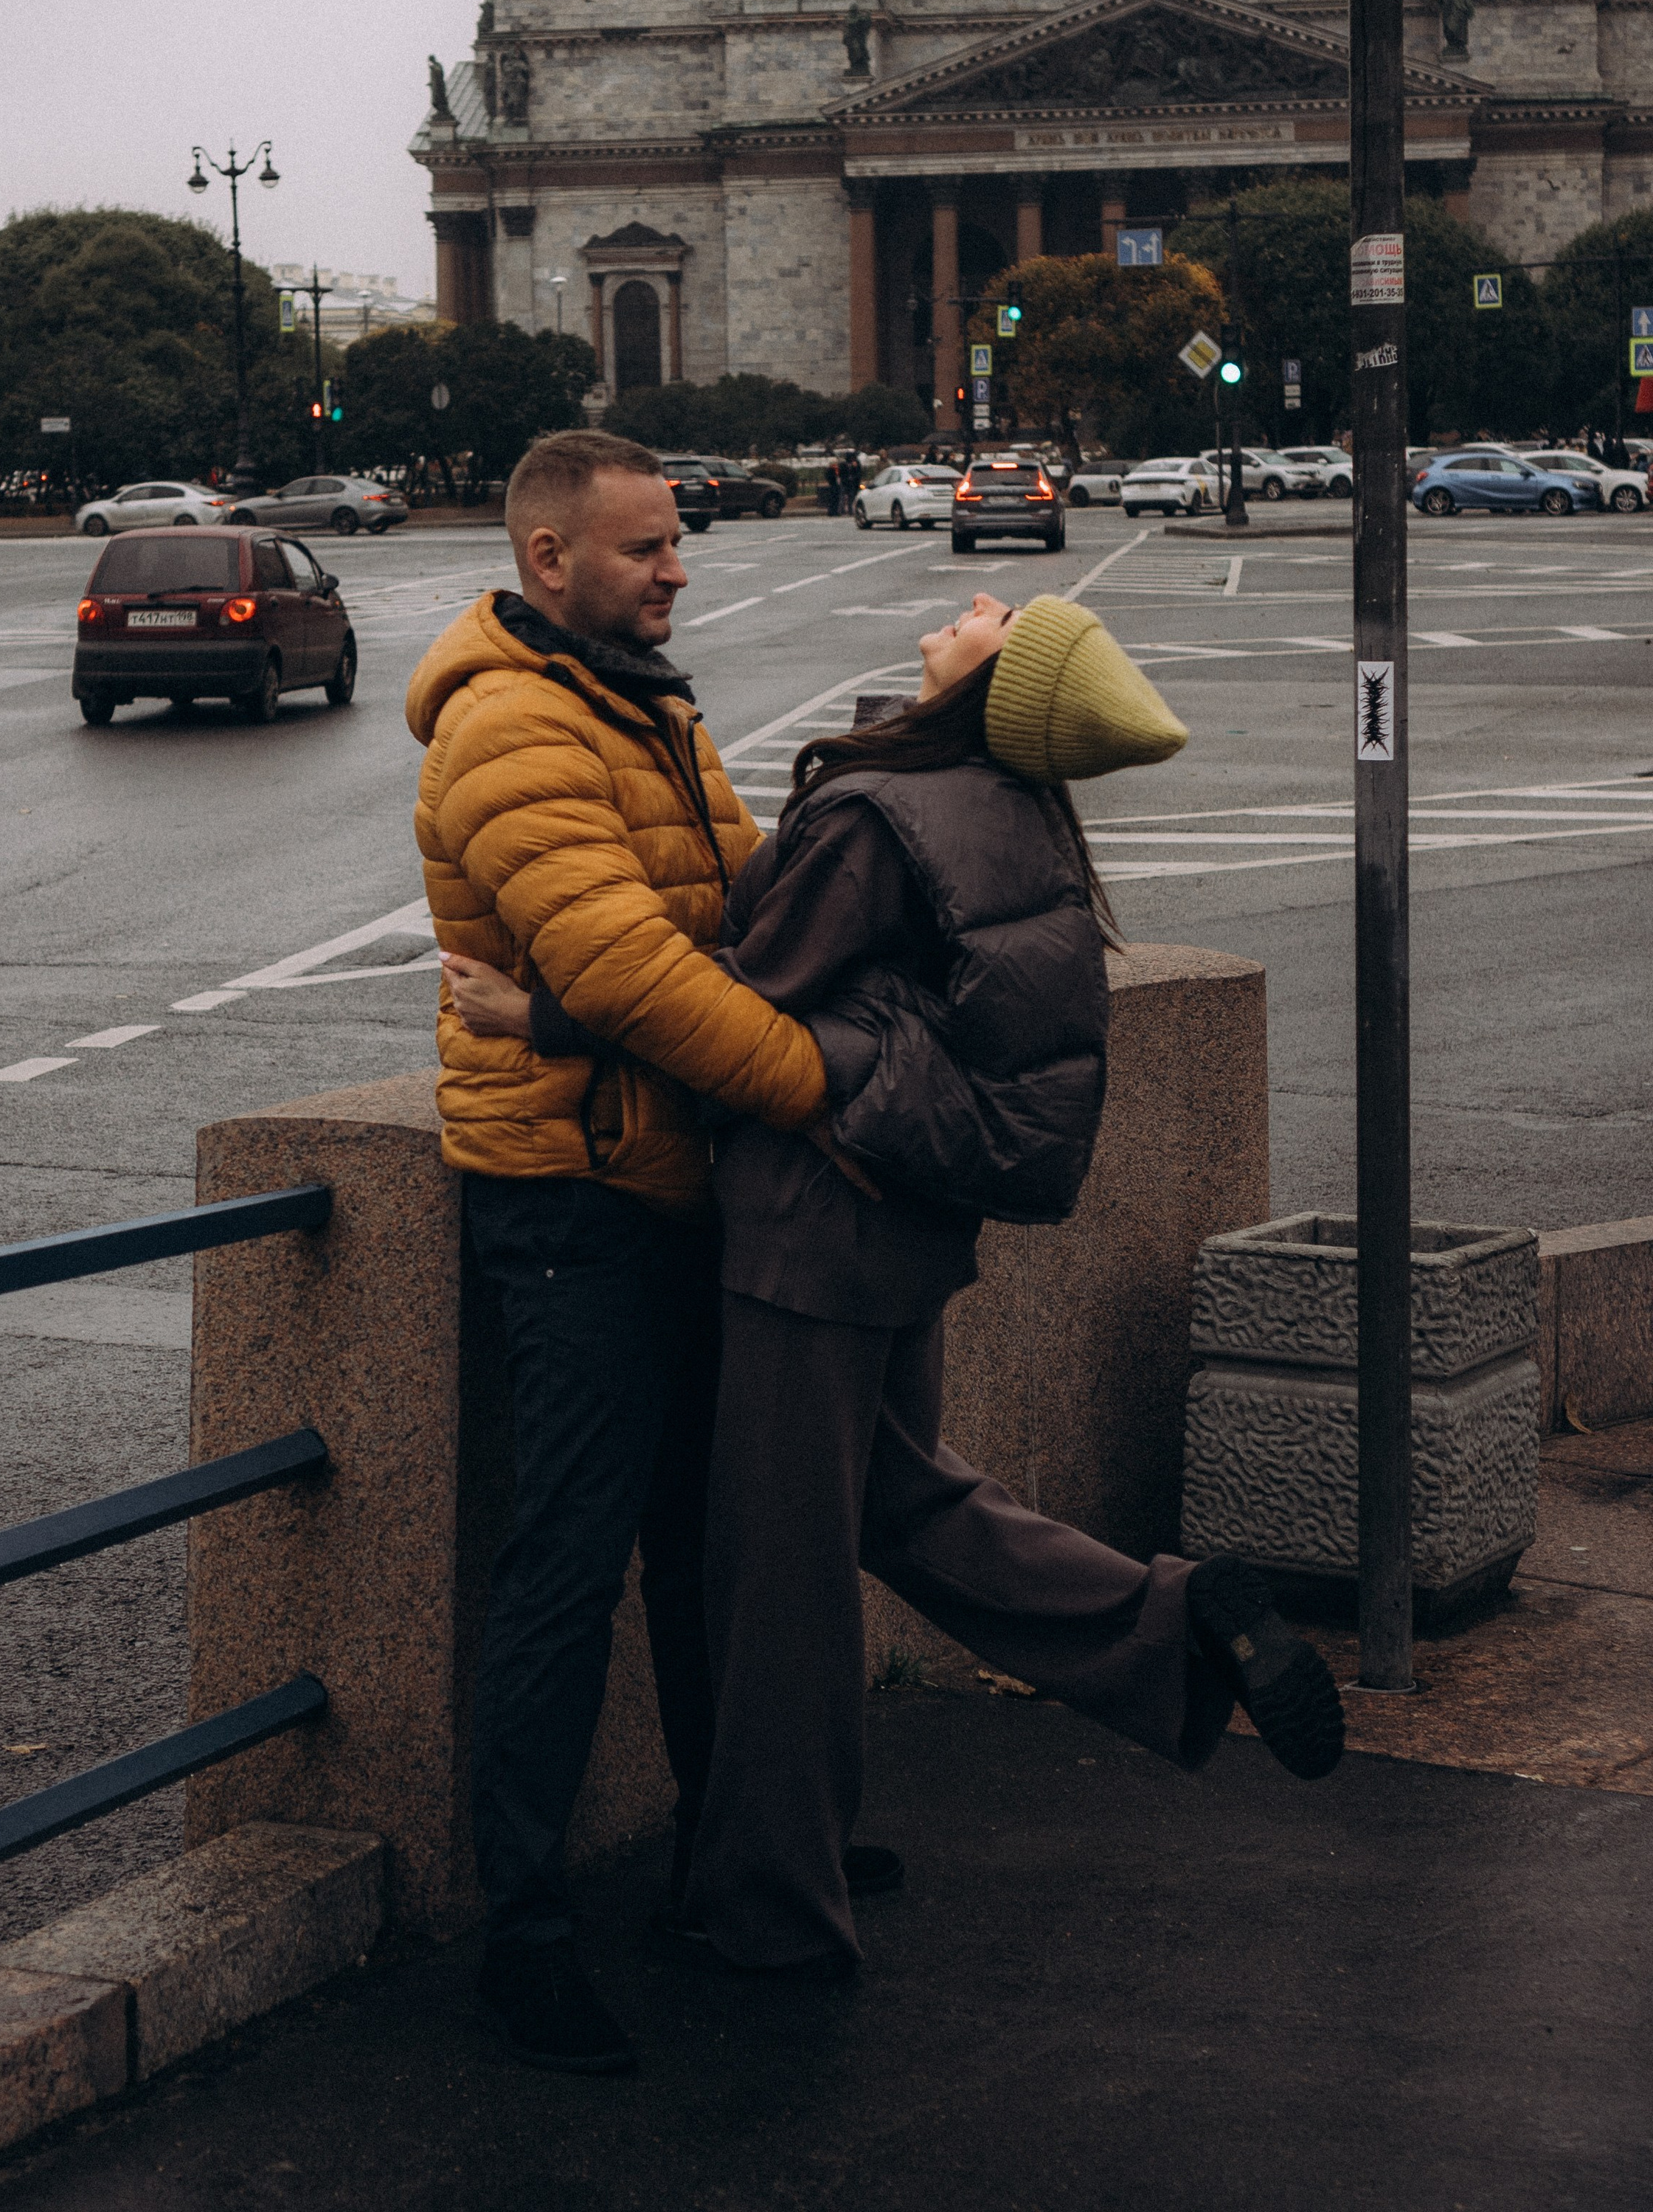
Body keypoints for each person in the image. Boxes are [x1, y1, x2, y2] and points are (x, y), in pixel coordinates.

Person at [448, 590, 1346, 1984]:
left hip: (817, 1220)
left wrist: (542, 1016)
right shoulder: (1015, 806)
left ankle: (773, 1911)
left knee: (779, 1575)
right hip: (907, 1217)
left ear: (1001, 689)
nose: (972, 603)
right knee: (899, 1502)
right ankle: (1173, 1629)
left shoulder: (883, 815)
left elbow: (738, 994)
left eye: (1002, 618)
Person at [405, 427, 829, 2076]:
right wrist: (820, 1090)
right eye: (648, 546)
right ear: (548, 562)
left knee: (703, 1551)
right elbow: (650, 975)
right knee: (568, 1570)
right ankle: (527, 1936)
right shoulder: (513, 725)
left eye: (676, 540)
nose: (677, 566)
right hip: (572, 1200)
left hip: (666, 1171)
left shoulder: (639, 697)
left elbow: (736, 906)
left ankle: (728, 1868)